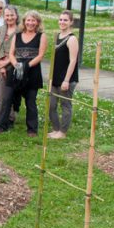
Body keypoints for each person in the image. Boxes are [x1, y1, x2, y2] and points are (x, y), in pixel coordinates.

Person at [0, 10, 47, 137]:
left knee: (30, 101)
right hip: (15, 71)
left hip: (32, 72)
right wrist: (16, 65)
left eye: (33, 20)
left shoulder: (42, 36)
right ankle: (2, 125)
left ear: (37, 22)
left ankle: (32, 129)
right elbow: (12, 53)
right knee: (7, 98)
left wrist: (26, 66)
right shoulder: (17, 35)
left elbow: (40, 55)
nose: (30, 23)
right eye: (28, 20)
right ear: (24, 21)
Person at [49, 10, 79, 139]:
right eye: (60, 19)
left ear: (71, 22)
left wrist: (66, 80)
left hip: (66, 78)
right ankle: (56, 129)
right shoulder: (57, 36)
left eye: (65, 20)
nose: (62, 22)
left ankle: (63, 132)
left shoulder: (72, 39)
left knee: (65, 105)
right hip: (55, 77)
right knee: (51, 105)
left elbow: (73, 60)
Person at [0, 5, 19, 126]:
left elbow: (19, 50)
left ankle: (11, 116)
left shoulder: (20, 30)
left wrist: (8, 61)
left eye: (11, 15)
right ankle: (0, 115)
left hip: (13, 63)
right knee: (0, 92)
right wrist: (1, 65)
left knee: (10, 93)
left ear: (16, 16)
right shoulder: (1, 29)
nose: (9, 17)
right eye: (7, 15)